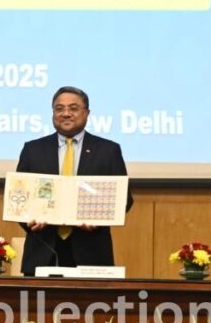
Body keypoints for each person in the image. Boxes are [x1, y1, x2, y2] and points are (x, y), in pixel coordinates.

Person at [15, 86, 133, 276]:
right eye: (59, 109)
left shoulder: (108, 150)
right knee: (38, 306)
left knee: (93, 306)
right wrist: (29, 221)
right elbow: (18, 196)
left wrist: (99, 219)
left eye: (73, 108)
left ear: (87, 113)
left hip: (92, 253)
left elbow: (124, 199)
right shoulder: (33, 149)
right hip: (43, 251)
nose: (66, 114)